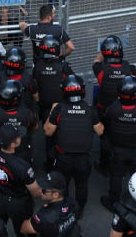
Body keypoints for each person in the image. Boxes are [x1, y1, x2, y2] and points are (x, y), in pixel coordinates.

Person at [44, 75, 102, 214]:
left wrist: (52, 111)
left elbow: (48, 131)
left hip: (63, 158)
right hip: (83, 158)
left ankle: (64, 209)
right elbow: (100, 131)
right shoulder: (90, 110)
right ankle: (79, 211)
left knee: (62, 185)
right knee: (82, 185)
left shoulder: (59, 109)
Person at [0, 125, 42, 236]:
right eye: (18, 137)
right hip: (19, 204)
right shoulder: (22, 166)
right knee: (21, 230)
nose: (20, 138)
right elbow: (35, 191)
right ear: (13, 144)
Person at [101, 76, 136, 212]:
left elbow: (107, 124)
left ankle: (113, 202)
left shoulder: (112, 108)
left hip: (117, 150)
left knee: (116, 176)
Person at [20, 170, 81, 237]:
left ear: (55, 195)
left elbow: (24, 229)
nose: (40, 191)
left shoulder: (44, 216)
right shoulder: (73, 203)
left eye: (44, 190)